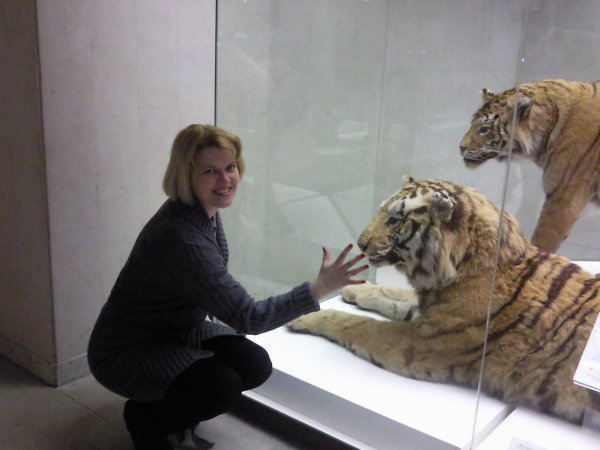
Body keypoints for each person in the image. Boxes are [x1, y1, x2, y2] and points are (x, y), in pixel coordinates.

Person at [87, 124, 368, 450]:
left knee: (253, 364)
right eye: (210, 171)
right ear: (186, 175)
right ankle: (144, 419)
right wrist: (319, 288)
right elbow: (249, 318)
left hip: (174, 331)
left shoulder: (199, 212)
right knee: (220, 387)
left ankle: (173, 413)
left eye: (230, 167)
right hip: (126, 350)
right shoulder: (184, 239)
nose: (225, 180)